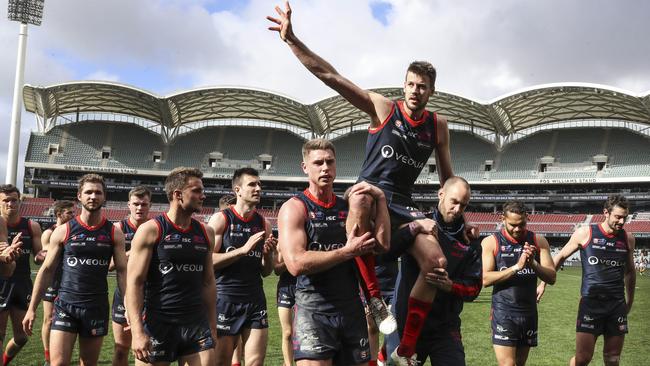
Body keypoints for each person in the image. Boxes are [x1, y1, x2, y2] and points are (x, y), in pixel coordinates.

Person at [268, 4, 465, 362]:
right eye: (409, 84)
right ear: (403, 84)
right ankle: (373, 297)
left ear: (432, 91)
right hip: (368, 195)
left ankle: (405, 347)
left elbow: (448, 178)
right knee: (360, 198)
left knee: (436, 264)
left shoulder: (438, 126)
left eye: (422, 87)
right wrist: (292, 40)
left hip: (401, 203)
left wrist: (455, 217)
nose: (414, 91)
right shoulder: (383, 108)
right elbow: (331, 75)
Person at [278, 138, 390, 366]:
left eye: (330, 162)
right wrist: (346, 251)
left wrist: (380, 198)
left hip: (351, 310)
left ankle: (375, 299)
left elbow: (382, 246)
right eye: (318, 163)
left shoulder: (347, 209)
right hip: (314, 311)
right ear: (305, 167)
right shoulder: (295, 208)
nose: (325, 168)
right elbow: (296, 263)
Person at [22, 174, 128, 365]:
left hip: (96, 307)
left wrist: (129, 306)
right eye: (88, 192)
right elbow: (46, 270)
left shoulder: (114, 232)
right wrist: (31, 309)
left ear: (104, 197)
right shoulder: (64, 231)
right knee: (58, 363)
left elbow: (122, 272)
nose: (93, 196)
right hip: (65, 306)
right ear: (79, 196)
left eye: (98, 192)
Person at [126, 167, 216, 366]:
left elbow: (208, 282)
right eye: (197, 190)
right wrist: (137, 331)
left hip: (196, 324)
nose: (203, 195)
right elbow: (135, 283)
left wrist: (212, 325)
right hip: (158, 323)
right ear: (177, 194)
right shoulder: (151, 230)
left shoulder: (206, 232)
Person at [389, 176, 482, 365]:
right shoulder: (418, 225)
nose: (457, 210)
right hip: (406, 324)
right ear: (441, 194)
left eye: (463, 206)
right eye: (454, 202)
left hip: (445, 328)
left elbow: (474, 289)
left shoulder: (470, 242)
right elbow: (384, 255)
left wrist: (451, 286)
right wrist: (413, 227)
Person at [537, 195, 636, 366]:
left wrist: (630, 301)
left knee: (613, 359)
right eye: (618, 217)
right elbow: (560, 256)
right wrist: (543, 283)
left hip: (616, 305)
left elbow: (630, 272)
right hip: (591, 304)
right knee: (583, 359)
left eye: (624, 217)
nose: (621, 221)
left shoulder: (628, 238)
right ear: (606, 212)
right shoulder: (586, 233)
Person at [208, 168, 276, 366]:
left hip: (256, 300)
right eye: (252, 184)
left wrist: (268, 255)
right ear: (237, 190)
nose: (258, 188)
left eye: (259, 185)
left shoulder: (264, 223)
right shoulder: (222, 219)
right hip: (226, 300)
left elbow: (266, 271)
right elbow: (207, 262)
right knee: (222, 362)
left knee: (255, 362)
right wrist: (241, 251)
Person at [481, 201, 556, 366]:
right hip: (503, 312)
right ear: (502, 219)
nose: (517, 229)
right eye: (512, 225)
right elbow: (485, 279)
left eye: (521, 224)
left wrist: (533, 264)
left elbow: (551, 277)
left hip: (529, 313)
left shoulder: (538, 241)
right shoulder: (491, 242)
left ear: (527, 218)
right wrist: (516, 267)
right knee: (508, 364)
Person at [0, 184, 44, 365]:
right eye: (6, 200)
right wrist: (6, 254)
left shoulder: (31, 226)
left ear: (20, 202)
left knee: (22, 337)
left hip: (22, 284)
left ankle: (5, 360)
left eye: (14, 200)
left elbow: (38, 256)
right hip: (1, 282)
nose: (10, 204)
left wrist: (46, 255)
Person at [111, 186, 151, 366]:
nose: (139, 208)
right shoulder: (118, 229)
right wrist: (133, 252)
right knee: (121, 349)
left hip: (149, 295)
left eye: (144, 204)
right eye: (136, 204)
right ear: (129, 205)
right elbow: (110, 265)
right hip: (124, 294)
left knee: (145, 350)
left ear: (150, 205)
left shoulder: (155, 228)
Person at [39, 200, 75, 366]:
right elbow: (46, 258)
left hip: (68, 281)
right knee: (48, 319)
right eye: (69, 213)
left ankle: (62, 352)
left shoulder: (72, 231)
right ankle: (48, 357)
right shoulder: (49, 233)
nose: (73, 215)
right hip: (52, 280)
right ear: (59, 214)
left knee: (68, 319)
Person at [274, 244, 296, 366]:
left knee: (303, 332)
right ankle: (288, 364)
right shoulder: (282, 242)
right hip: (286, 289)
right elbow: (276, 270)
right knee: (287, 332)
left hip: (305, 288)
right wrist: (291, 259)